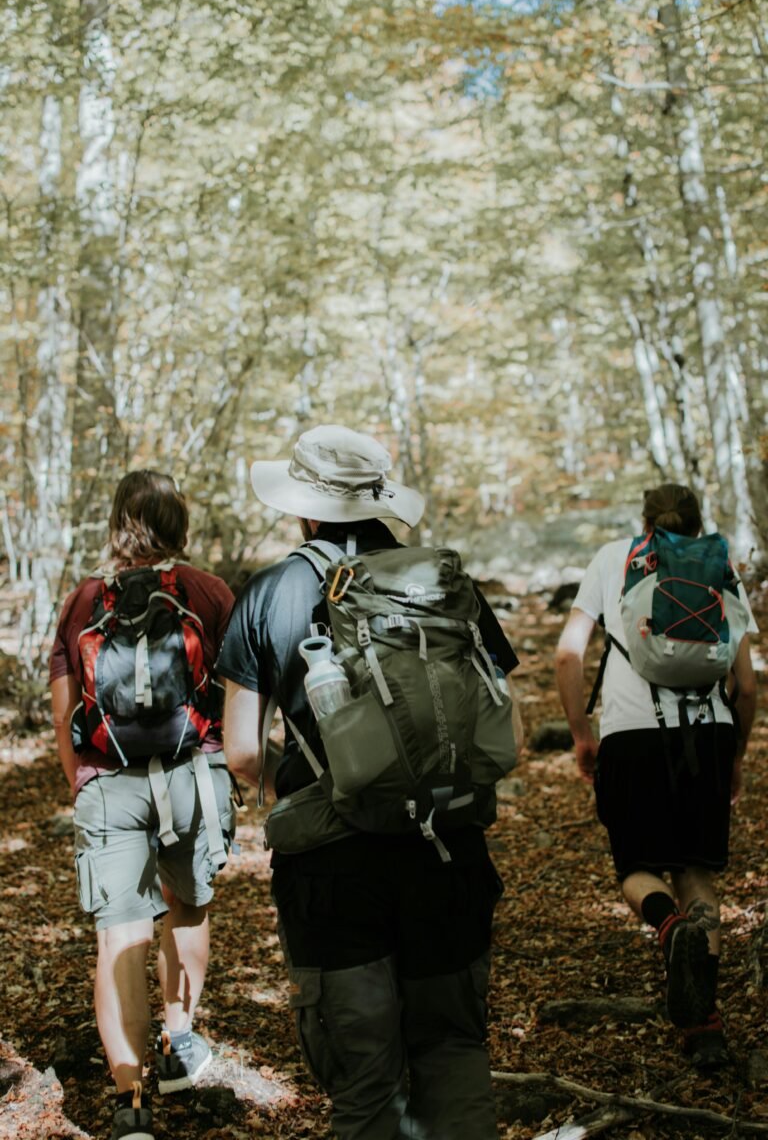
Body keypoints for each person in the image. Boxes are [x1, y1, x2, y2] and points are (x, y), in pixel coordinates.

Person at [217, 424, 523, 1140]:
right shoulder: (446, 582)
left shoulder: (271, 591)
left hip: (333, 869)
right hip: (447, 849)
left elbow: (238, 750)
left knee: (366, 1084)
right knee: (452, 1049)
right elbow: (495, 709)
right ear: (379, 500)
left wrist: (305, 787)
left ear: (305, 506)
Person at [50, 470, 236, 1140]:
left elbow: (63, 709)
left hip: (110, 780)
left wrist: (83, 782)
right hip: (193, 774)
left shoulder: (83, 600)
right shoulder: (208, 590)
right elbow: (237, 692)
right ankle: (179, 1042)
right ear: (179, 521)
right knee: (187, 906)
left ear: (116, 520)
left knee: (118, 932)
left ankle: (130, 1098)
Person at [555, 483, 757, 1068]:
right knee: (696, 871)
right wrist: (737, 753)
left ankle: (668, 928)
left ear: (645, 524)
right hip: (710, 734)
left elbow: (569, 653)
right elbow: (746, 685)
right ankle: (706, 1031)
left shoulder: (611, 558)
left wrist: (580, 733)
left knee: (638, 866)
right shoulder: (720, 567)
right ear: (697, 524)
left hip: (632, 735)